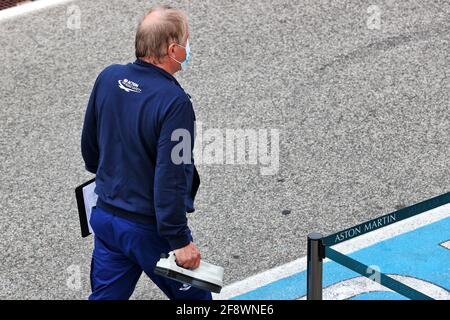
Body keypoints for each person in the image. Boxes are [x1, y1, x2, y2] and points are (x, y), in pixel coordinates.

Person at [80, 5, 211, 300]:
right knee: (197, 301)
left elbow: (90, 150)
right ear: (173, 48)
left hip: (106, 218)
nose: (189, 47)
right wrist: (180, 241)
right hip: (148, 231)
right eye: (187, 41)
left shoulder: (108, 78)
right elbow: (172, 177)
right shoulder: (175, 103)